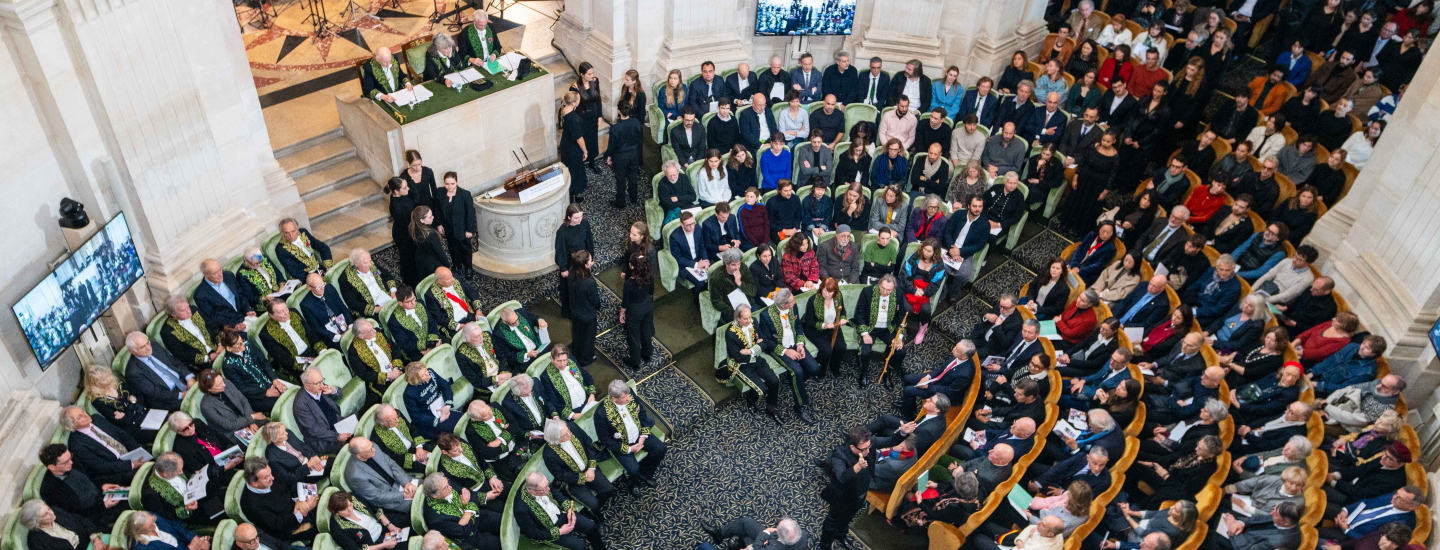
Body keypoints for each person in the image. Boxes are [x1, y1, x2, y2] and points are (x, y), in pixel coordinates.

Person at [593, 380, 667, 494]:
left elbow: (642, 413)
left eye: (628, 395)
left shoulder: (629, 393)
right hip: (621, 444)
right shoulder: (601, 414)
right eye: (623, 398)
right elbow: (606, 440)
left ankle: (645, 474)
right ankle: (634, 482)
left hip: (639, 435)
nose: (628, 398)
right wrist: (629, 449)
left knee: (660, 448)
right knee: (633, 469)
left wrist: (643, 436)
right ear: (614, 398)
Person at [514, 472, 605, 550]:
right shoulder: (521, 509)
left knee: (591, 526)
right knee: (580, 546)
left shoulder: (542, 483)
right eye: (544, 488)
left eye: (547, 485)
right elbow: (533, 533)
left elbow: (556, 494)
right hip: (550, 530)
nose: (548, 489)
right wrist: (560, 531)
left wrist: (570, 509)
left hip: (562, 514)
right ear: (532, 492)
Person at [343, 437, 418, 530]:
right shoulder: (354, 475)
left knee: (427, 486)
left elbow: (391, 464)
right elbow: (377, 496)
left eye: (372, 446)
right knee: (420, 503)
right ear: (359, 455)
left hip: (399, 483)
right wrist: (403, 495)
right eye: (370, 450)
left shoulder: (373, 447)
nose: (374, 449)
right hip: (389, 499)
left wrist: (406, 483)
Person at [238, 458, 318, 544]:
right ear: (254, 483)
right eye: (266, 478)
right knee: (322, 527)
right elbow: (278, 526)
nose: (272, 478)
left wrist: (298, 499)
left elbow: (290, 481)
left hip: (297, 506)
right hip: (289, 527)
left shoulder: (268, 474)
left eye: (270, 473)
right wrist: (302, 512)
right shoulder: (251, 505)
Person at [1058, 130, 1122, 235]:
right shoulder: (1094, 147)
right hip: (1084, 179)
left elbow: (1112, 176)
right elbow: (1083, 162)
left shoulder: (1115, 156)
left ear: (1114, 141)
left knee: (1089, 206)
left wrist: (1105, 191)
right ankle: (1067, 224)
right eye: (1103, 140)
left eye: (1108, 142)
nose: (1104, 143)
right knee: (1076, 200)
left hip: (1098, 184)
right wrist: (1075, 177)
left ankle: (1079, 229)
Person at [417, 472, 502, 550]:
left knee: (502, 521)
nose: (450, 487)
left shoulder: (446, 485)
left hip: (477, 517)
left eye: (448, 484)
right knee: (499, 544)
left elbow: (470, 495)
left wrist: (466, 514)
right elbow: (464, 531)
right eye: (445, 488)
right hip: (471, 536)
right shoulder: (436, 520)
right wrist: (468, 510)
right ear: (434, 495)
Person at [218, 329, 285, 412]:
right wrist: (264, 393)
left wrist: (274, 379)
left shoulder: (249, 344)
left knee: (290, 394)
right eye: (239, 344)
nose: (243, 344)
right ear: (229, 348)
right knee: (283, 404)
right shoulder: (228, 366)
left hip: (269, 381)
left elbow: (263, 362)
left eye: (242, 340)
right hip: (256, 396)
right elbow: (241, 388)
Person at [292, 367, 351, 455]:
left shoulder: (319, 386)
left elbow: (340, 394)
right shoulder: (301, 405)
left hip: (338, 423)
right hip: (325, 439)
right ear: (306, 385)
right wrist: (337, 436)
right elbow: (313, 430)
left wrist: (333, 390)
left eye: (322, 380)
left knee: (360, 431)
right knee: (351, 448)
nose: (322, 385)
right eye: (317, 383)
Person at [1320, 375, 1403, 433]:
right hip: (1337, 405)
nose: (1378, 386)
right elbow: (1347, 389)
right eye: (1381, 382)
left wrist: (1326, 407)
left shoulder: (1384, 408)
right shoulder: (1375, 384)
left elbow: (1352, 419)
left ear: (1395, 392)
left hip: (1346, 426)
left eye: (1384, 386)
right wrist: (1326, 402)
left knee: (1315, 423)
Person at [325, 490, 403, 550]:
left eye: (350, 505)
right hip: (374, 544)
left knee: (407, 521)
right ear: (335, 512)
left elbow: (375, 509)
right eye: (344, 509)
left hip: (382, 525)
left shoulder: (354, 498)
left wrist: (389, 525)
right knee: (405, 546)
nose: (349, 510)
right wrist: (384, 545)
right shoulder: (337, 529)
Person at [1215, 502, 1303, 550]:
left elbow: (1247, 548)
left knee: (1211, 529)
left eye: (1275, 513)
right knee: (1221, 509)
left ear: (1286, 523)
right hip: (1246, 531)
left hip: (1239, 544)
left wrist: (1232, 526)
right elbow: (1259, 518)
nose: (1271, 513)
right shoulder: (1286, 518)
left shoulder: (1278, 542)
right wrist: (1241, 523)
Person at [1293, 311, 1360, 367]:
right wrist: (1293, 345)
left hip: (1308, 360)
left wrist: (1294, 352)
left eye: (1337, 320)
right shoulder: (1329, 324)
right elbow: (1308, 333)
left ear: (1343, 325)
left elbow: (1318, 354)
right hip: (1299, 348)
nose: (1333, 319)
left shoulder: (1343, 342)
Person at [125, 512, 209, 550]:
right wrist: (191, 548)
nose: (155, 524)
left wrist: (196, 539)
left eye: (153, 520)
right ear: (141, 531)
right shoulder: (142, 548)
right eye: (150, 525)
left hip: (186, 542)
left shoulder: (150, 517)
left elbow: (176, 526)